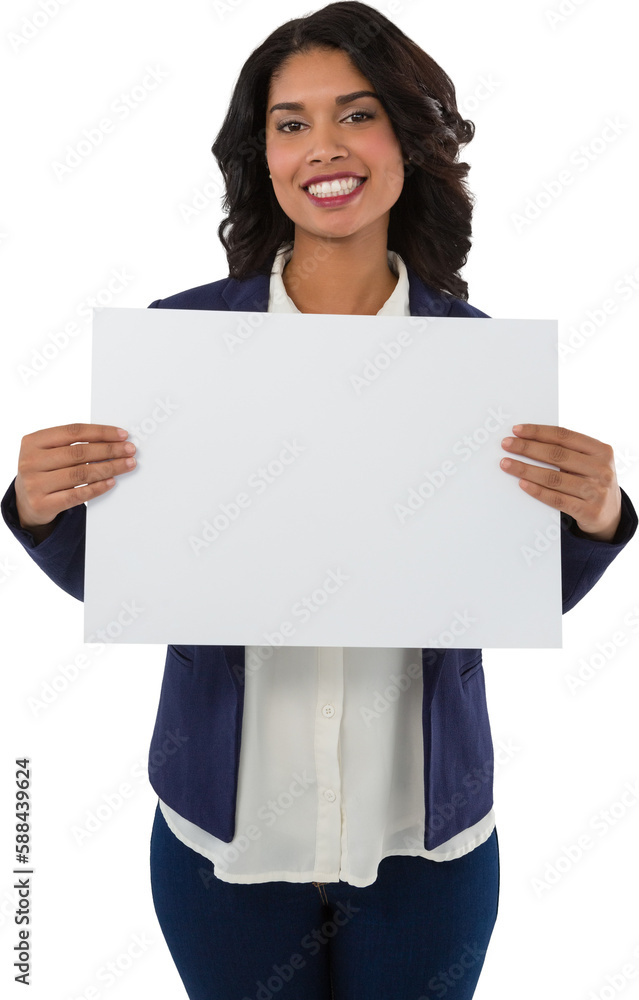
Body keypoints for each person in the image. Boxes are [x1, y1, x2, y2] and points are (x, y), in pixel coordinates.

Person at [2, 3, 637, 998]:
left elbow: (501, 593)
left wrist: (598, 518)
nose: (323, 147)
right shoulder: (181, 347)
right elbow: (142, 577)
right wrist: (41, 508)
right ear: (262, 155)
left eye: (357, 114)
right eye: (290, 122)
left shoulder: (478, 363)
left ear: (407, 139)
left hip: (426, 841)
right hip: (224, 840)